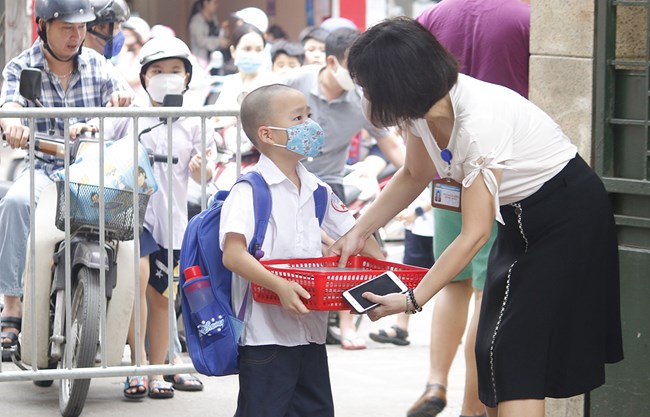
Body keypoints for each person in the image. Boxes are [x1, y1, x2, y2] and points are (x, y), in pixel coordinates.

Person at [331, 17, 623, 417]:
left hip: (567, 217)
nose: (363, 94)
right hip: (520, 218)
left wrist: (412, 300)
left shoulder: (481, 120)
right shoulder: (420, 110)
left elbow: (474, 234)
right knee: (495, 348)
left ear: (393, 85)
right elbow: (414, 174)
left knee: (514, 351)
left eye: (365, 84)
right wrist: (358, 229)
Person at [374, 2, 530, 416]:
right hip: (497, 167)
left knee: (452, 279)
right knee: (487, 291)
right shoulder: (524, 16)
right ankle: (472, 406)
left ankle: (435, 381)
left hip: (443, 169)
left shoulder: (432, 16)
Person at [220, 83, 383, 417]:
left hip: (310, 333)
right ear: (267, 134)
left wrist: (382, 275)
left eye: (309, 115)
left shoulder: (318, 189)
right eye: (298, 118)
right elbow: (233, 255)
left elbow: (359, 235)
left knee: (315, 410)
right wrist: (278, 285)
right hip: (264, 336)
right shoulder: (249, 190)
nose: (311, 124)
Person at [72, 35, 214, 399]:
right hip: (131, 217)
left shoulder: (195, 119)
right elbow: (96, 140)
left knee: (164, 296)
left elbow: (207, 169)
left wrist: (202, 168)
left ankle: (158, 370)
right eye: (158, 70)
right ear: (144, 76)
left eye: (174, 70)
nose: (166, 76)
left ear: (186, 76)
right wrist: (86, 129)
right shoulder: (128, 112)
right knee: (137, 279)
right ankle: (137, 367)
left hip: (173, 222)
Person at [0, 0, 132, 350]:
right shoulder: (21, 67)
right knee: (14, 202)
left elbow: (123, 95)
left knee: (132, 224)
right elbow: (10, 106)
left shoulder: (97, 65)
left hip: (90, 170)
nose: (77, 36)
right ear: (42, 25)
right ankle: (12, 304)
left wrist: (121, 98)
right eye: (67, 28)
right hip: (43, 167)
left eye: (82, 27)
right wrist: (13, 126)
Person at [283, 27, 406, 350]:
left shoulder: (362, 100)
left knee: (348, 245)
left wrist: (421, 177)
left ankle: (348, 320)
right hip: (288, 176)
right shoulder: (297, 82)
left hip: (329, 183)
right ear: (331, 62)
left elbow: (391, 146)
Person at [368, 187, 434, 347]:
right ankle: (400, 327)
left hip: (440, 226)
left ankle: (450, 330)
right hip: (416, 227)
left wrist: (417, 211)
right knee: (407, 280)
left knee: (453, 284)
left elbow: (447, 190)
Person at [213, 23, 279, 152]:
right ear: (233, 51)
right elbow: (216, 120)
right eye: (247, 49)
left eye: (258, 49)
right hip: (229, 156)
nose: (253, 54)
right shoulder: (230, 82)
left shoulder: (273, 82)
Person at [116, 16, 151, 97]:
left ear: (139, 36)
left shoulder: (146, 56)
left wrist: (122, 51)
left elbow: (130, 79)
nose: (123, 38)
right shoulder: (128, 56)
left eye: (127, 35)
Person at [188, 0, 228, 67]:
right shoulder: (196, 21)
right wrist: (219, 42)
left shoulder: (214, 18)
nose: (217, 6)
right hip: (201, 61)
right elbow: (200, 41)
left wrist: (223, 33)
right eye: (215, 3)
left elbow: (216, 35)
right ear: (206, 3)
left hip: (214, 59)